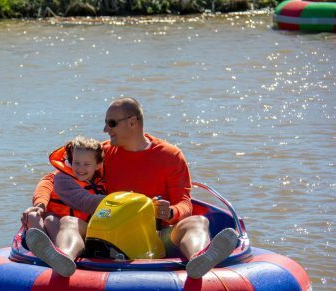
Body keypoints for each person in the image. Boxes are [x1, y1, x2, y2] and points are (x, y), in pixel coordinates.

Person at [23, 97, 239, 278]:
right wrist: (40, 205)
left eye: (112, 123)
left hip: (153, 237)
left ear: (133, 121)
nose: (105, 129)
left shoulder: (170, 156)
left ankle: (199, 261)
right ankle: (64, 260)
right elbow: (53, 179)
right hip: (106, 233)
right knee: (69, 221)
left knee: (198, 221)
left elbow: (185, 204)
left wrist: (171, 212)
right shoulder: (103, 154)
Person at [21, 136, 105, 276]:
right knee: (43, 218)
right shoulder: (62, 178)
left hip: (82, 229)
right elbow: (84, 201)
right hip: (60, 225)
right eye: (76, 163)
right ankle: (54, 254)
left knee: (61, 221)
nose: (80, 168)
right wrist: (40, 206)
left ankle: (57, 256)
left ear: (98, 165)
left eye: (86, 164)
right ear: (70, 161)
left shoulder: (101, 183)